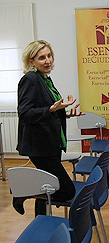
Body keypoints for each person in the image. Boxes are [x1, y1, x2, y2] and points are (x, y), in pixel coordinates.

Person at [13, 40, 83, 216]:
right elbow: (25, 113)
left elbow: (47, 110)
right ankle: (23, 194)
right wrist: (52, 109)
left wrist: (66, 114)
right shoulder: (30, 79)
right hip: (40, 146)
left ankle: (40, 220)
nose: (48, 61)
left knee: (49, 184)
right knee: (67, 191)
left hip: (51, 143)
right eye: (42, 58)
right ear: (31, 61)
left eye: (49, 56)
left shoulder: (45, 79)